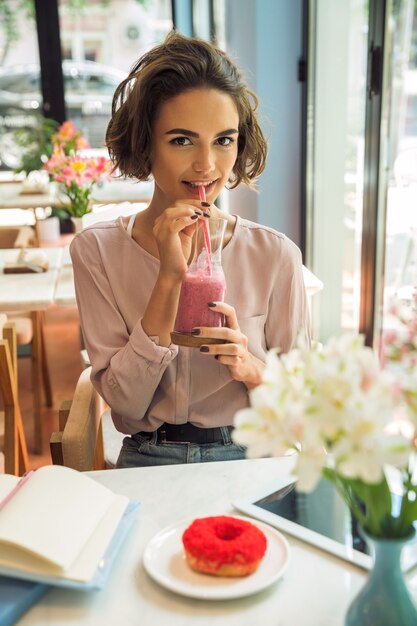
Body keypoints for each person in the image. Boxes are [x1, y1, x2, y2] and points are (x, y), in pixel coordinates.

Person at [70, 31, 311, 468]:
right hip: (147, 457)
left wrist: (249, 366)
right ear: (146, 143)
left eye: (224, 140)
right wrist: (168, 278)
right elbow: (125, 404)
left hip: (248, 454)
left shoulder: (274, 255)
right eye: (182, 140)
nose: (207, 165)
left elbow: (301, 410)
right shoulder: (97, 252)